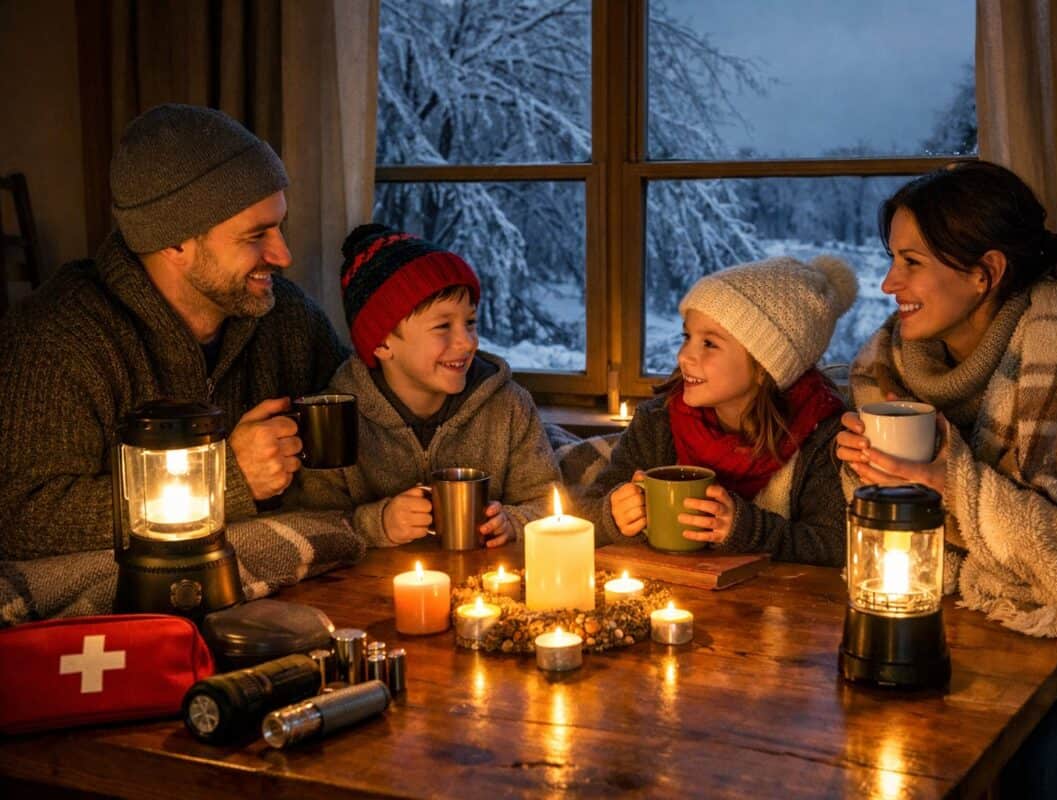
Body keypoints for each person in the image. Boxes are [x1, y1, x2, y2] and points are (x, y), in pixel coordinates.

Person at [835, 159, 1057, 795]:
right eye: (891, 258)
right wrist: (868, 476)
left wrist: (953, 482)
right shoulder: (885, 368)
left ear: (986, 273)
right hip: (978, 616)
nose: (890, 282)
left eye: (912, 262)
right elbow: (895, 541)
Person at [0, 104, 347, 561]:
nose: (283, 255)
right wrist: (225, 481)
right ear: (174, 241)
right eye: (256, 235)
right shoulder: (57, 340)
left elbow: (371, 403)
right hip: (128, 622)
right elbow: (23, 520)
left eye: (279, 226)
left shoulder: (287, 318)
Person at [292, 224, 559, 548]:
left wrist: (514, 523)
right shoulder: (332, 421)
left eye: (470, 322)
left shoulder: (509, 406)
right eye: (443, 326)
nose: (466, 342)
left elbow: (548, 504)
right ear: (382, 344)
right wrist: (380, 523)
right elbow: (310, 524)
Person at [581, 255, 856, 563]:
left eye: (709, 344)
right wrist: (613, 516)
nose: (685, 356)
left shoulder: (821, 437)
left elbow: (833, 544)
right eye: (687, 336)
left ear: (765, 366)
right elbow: (585, 515)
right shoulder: (659, 420)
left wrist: (747, 530)